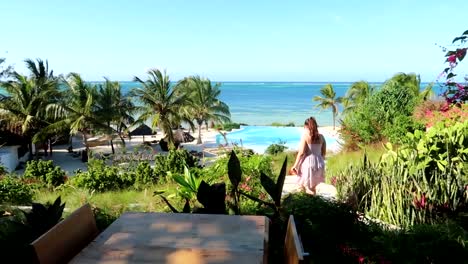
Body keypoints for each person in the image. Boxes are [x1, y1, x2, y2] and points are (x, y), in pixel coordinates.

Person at [291, 117, 326, 195]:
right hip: (319, 164)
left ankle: (305, 204)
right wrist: (319, 161)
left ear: (306, 126)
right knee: (313, 188)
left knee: (302, 187)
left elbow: (301, 152)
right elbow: (323, 153)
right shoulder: (322, 137)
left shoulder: (305, 136)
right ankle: (313, 204)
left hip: (308, 163)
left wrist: (295, 165)